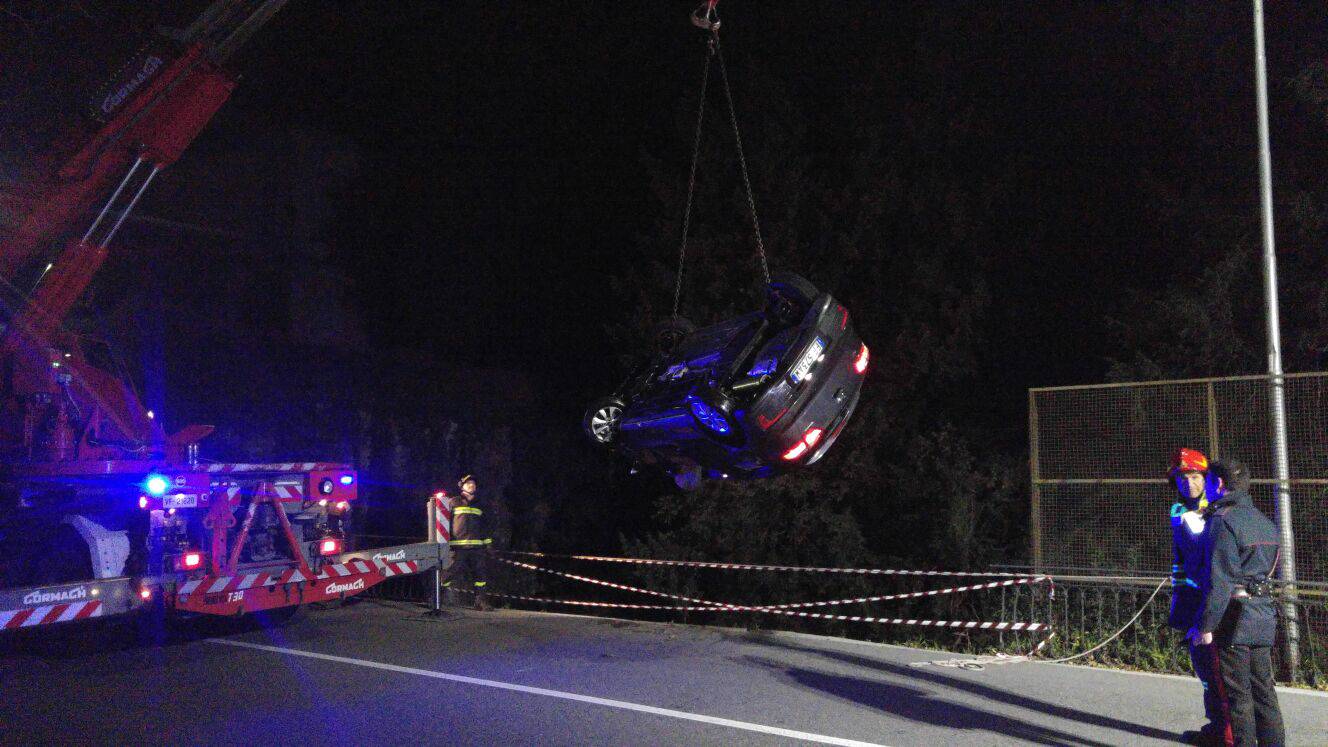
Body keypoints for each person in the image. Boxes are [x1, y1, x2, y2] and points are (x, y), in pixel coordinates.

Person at [1193, 459, 1285, 746]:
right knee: (1265, 692)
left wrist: (1206, 625)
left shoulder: (1223, 521)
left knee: (1238, 697)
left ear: (1219, 484)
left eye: (1208, 482)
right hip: (1263, 613)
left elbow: (1220, 580)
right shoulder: (1265, 521)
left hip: (1234, 617)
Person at [1166, 447, 1226, 745]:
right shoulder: (1179, 511)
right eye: (1182, 478)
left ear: (1206, 478)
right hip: (1192, 600)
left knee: (1218, 666)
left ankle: (1226, 730)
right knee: (1204, 665)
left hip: (1215, 600)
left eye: (1194, 476)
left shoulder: (1220, 510)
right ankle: (1217, 725)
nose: (1188, 484)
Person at [440, 474, 493, 610]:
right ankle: (437, 599)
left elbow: (485, 526)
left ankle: (480, 602)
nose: (472, 485)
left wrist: (488, 543)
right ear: (461, 486)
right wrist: (445, 542)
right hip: (458, 547)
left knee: (480, 576)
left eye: (473, 483)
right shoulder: (453, 502)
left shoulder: (479, 505)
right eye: (468, 483)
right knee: (448, 573)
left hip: (477, 548)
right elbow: (444, 523)